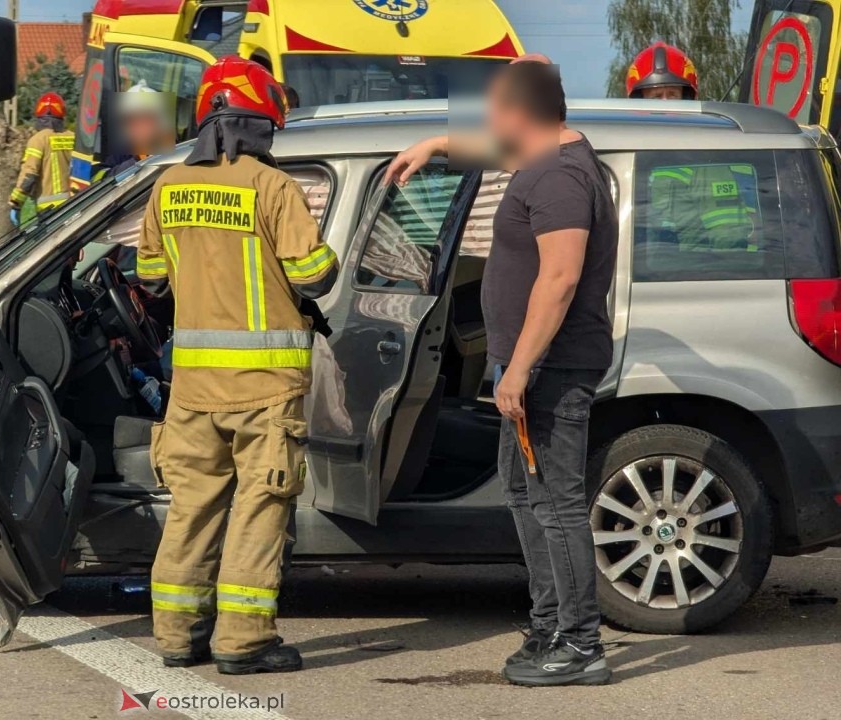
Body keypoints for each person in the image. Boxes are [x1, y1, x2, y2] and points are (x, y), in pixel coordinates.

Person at [386, 61, 617, 686]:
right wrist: (435, 144)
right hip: (530, 365)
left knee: (557, 505)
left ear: (519, 112)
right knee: (524, 494)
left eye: (493, 109)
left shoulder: (562, 177)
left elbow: (561, 276)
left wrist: (519, 367)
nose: (487, 122)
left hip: (551, 367)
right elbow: (493, 147)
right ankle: (549, 625)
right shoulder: (545, 157)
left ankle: (580, 644)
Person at [140, 55, 337, 675]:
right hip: (265, 388)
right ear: (261, 125)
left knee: (192, 506)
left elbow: (150, 278)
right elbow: (314, 275)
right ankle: (243, 643)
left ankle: (176, 635)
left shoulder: (167, 187)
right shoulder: (273, 188)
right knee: (259, 506)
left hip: (193, 387)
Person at [628, 43, 760, 251]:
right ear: (638, 101)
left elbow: (728, 237)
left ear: (688, 97)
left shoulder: (704, 157)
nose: (665, 104)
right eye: (656, 96)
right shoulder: (635, 155)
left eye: (672, 94)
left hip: (686, 273)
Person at [9, 92, 74, 225]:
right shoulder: (73, 137)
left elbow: (29, 174)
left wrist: (16, 202)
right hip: (74, 203)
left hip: (48, 208)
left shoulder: (38, 140)